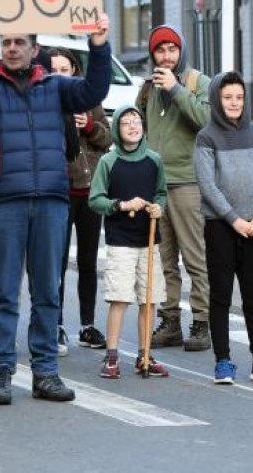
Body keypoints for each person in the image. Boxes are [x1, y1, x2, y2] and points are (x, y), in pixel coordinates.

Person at [0, 13, 111, 406]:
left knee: (47, 293)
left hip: (52, 200)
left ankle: (46, 373)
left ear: (35, 49)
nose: (12, 48)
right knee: (3, 291)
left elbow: (94, 89)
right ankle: (0, 372)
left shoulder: (56, 87)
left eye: (19, 42)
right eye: (7, 43)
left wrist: (100, 45)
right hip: (5, 201)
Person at [194, 72, 253, 385]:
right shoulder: (206, 137)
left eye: (239, 97)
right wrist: (234, 219)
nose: (234, 103)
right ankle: (223, 360)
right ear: (216, 101)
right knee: (221, 296)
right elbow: (208, 185)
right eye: (227, 97)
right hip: (221, 226)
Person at [137, 25, 212, 352]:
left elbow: (208, 121)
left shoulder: (198, 83)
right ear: (152, 54)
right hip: (156, 185)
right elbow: (138, 131)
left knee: (195, 257)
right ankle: (170, 321)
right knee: (164, 259)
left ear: (180, 52)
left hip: (188, 182)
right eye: (160, 50)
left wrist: (177, 90)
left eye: (172, 49)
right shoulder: (146, 90)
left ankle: (202, 322)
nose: (166, 56)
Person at [87, 106, 167, 379]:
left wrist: (158, 208)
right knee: (119, 298)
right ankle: (111, 356)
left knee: (149, 299)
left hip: (149, 239)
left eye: (137, 122)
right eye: (126, 123)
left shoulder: (155, 160)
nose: (133, 127)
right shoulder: (108, 162)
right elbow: (95, 199)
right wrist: (121, 205)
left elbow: (161, 193)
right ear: (117, 131)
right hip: (120, 240)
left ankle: (145, 354)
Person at [48, 47, 111, 353]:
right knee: (56, 261)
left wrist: (88, 125)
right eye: (54, 69)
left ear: (74, 70)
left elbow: (108, 138)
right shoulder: (43, 99)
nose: (60, 74)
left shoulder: (88, 99)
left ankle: (87, 324)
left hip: (89, 191)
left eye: (65, 69)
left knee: (88, 261)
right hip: (60, 190)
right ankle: (55, 324)